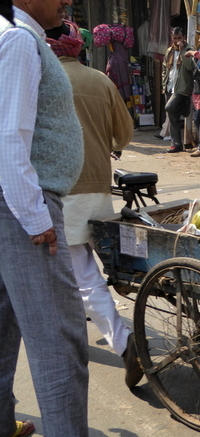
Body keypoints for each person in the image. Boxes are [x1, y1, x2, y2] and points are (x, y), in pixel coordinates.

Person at [0, 0, 90, 437]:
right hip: (22, 206)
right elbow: (10, 135)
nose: (68, 0)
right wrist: (36, 217)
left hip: (10, 206)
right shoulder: (18, 39)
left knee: (3, 323)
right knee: (60, 343)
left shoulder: (17, 35)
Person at [45, 20, 143, 389]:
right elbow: (125, 134)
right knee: (83, 270)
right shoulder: (99, 81)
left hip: (62, 194)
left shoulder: (42, 80)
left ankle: (123, 342)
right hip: (99, 191)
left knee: (82, 275)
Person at [161, 27, 194, 153]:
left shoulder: (188, 50)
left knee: (169, 107)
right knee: (172, 117)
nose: (177, 41)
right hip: (170, 85)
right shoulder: (169, 51)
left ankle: (183, 109)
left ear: (183, 37)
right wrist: (164, 83)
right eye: (174, 38)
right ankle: (176, 144)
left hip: (182, 87)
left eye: (179, 38)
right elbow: (165, 69)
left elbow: (190, 66)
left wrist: (181, 52)